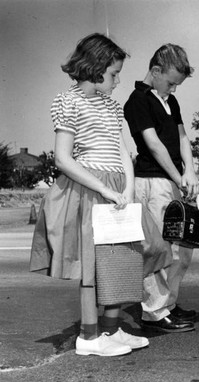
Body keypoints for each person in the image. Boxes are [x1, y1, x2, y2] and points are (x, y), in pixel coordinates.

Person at [29, 33, 168, 356]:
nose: (118, 80)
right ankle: (88, 338)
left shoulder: (112, 106)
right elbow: (64, 158)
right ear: (94, 68)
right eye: (113, 73)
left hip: (118, 188)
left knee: (121, 259)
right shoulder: (69, 101)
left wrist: (128, 189)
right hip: (90, 188)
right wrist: (104, 188)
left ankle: (111, 328)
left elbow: (123, 152)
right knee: (92, 264)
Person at [124, 43, 199, 333]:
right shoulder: (137, 100)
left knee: (180, 250)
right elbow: (153, 145)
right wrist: (178, 176)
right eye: (171, 82)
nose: (174, 89)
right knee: (160, 249)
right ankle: (154, 312)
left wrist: (189, 170)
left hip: (172, 180)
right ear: (155, 71)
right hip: (152, 182)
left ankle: (169, 303)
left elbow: (182, 138)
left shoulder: (170, 100)